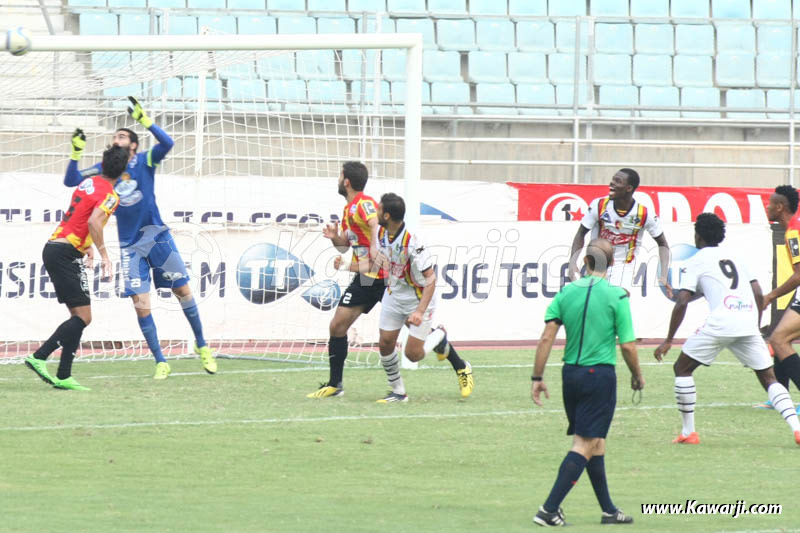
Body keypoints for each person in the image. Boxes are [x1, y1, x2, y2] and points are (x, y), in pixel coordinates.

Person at [64, 97, 216, 379]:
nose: (116, 139)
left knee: (182, 291)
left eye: (121, 136)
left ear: (133, 144)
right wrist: (76, 152)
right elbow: (71, 180)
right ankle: (160, 361)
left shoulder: (145, 159)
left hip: (158, 238)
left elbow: (168, 144)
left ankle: (202, 345)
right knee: (141, 304)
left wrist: (145, 121)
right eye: (114, 137)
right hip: (130, 247)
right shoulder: (105, 169)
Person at [654, 213, 800, 446]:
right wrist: (755, 326)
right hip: (746, 322)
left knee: (682, 368)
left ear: (698, 235)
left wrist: (668, 339)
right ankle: (797, 428)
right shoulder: (736, 257)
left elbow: (682, 301)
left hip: (721, 322)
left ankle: (688, 432)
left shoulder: (696, 260)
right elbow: (757, 293)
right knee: (769, 378)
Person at [531, 238, 643, 527]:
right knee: (584, 442)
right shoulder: (617, 296)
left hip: (571, 375)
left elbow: (547, 337)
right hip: (599, 376)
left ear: (584, 262)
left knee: (597, 442)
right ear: (612, 263)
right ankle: (549, 509)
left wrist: (537, 377)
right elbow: (628, 346)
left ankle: (608, 510)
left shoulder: (566, 293)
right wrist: (637, 375)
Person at [25, 144, 127, 390]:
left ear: (102, 164)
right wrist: (104, 255)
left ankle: (63, 375)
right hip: (65, 253)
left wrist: (87, 245)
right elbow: (93, 221)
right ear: (123, 173)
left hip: (58, 247)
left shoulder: (87, 183)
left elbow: (79, 217)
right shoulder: (112, 196)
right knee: (83, 317)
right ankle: (39, 357)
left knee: (79, 317)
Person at [362, 192, 474, 402]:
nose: (375, 213)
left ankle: (439, 334)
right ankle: (398, 392)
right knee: (385, 343)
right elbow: (378, 263)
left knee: (412, 355)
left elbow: (431, 280)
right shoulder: (380, 233)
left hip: (419, 297)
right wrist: (346, 265)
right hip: (394, 295)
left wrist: (420, 311)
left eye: (378, 209)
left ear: (386, 215)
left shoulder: (413, 241)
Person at [307, 161, 385, 398]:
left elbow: (375, 222)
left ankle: (460, 365)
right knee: (337, 325)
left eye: (340, 176)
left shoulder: (365, 203)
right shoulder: (347, 210)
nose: (338, 179)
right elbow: (344, 248)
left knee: (415, 325)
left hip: (384, 275)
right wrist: (334, 237)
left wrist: (374, 247)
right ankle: (334, 384)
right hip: (366, 277)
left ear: (347, 181)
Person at [568, 168, 671, 294]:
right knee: (594, 302)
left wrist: (664, 274)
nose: (612, 183)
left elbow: (662, 243)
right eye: (612, 180)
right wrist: (572, 263)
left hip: (623, 266)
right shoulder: (599, 205)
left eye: (618, 181)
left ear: (628, 188)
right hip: (597, 263)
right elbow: (581, 233)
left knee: (619, 300)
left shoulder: (644, 214)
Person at [756, 185, 800, 407]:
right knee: (780, 336)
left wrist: (770, 296)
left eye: (770, 203)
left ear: (780, 207)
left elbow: (799, 274)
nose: (767, 206)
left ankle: (779, 396)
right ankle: (779, 396)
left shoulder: (793, 231)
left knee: (779, 338)